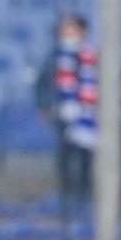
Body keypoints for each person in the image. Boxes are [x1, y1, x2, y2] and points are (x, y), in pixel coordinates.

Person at [36, 15, 98, 214]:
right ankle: (67, 196)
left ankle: (85, 195)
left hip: (89, 116)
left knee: (86, 158)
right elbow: (43, 84)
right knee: (65, 155)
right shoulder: (55, 57)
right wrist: (46, 106)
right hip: (64, 114)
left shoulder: (92, 56)